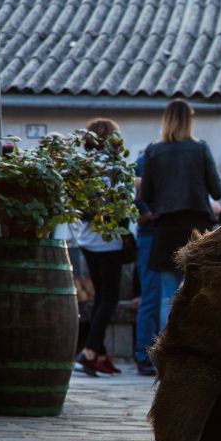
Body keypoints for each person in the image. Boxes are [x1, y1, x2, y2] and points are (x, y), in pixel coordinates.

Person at [141, 100, 221, 329]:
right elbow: (217, 190)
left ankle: (167, 357)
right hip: (196, 229)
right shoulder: (200, 148)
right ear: (190, 120)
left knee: (168, 297)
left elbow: (146, 194)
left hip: (166, 230)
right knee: (198, 294)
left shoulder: (153, 151)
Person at [71, 119, 128, 376]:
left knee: (100, 296)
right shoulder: (115, 167)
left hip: (87, 240)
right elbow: (123, 203)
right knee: (109, 298)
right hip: (109, 240)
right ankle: (89, 352)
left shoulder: (85, 166)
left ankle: (101, 355)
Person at [132, 151, 161, 376]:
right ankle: (144, 354)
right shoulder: (149, 158)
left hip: (156, 233)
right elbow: (139, 201)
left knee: (154, 297)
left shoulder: (151, 156)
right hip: (152, 234)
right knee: (152, 297)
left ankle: (147, 355)